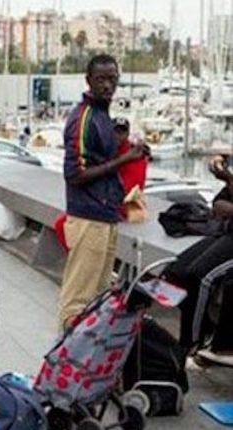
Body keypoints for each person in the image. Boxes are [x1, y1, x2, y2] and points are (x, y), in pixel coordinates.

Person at [57, 54, 148, 329]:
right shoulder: (84, 117)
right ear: (88, 80)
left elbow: (99, 160)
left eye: (112, 79)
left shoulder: (101, 115)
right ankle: (65, 352)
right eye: (101, 79)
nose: (108, 85)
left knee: (97, 298)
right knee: (77, 302)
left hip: (105, 215)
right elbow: (75, 174)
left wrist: (126, 150)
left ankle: (85, 353)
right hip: (89, 217)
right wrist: (125, 159)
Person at [165, 155, 233, 365]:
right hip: (227, 231)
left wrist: (229, 180)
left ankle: (193, 345)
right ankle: (194, 336)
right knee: (177, 271)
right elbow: (219, 203)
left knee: (204, 277)